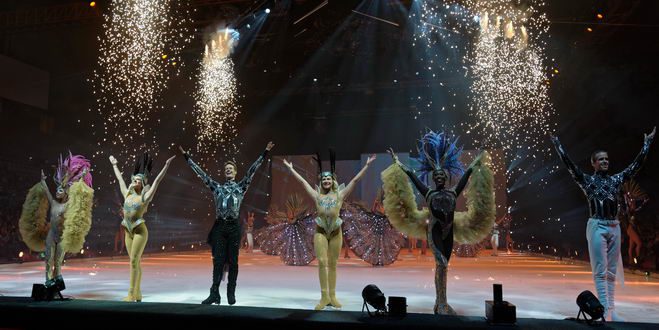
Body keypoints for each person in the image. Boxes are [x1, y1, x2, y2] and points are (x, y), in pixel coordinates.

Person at [382, 130, 495, 315]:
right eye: (437, 175)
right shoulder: (429, 194)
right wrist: (397, 162)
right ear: (434, 179)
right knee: (441, 263)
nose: (440, 177)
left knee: (444, 266)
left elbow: (467, 175)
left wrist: (478, 158)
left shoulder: (452, 193)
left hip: (448, 232)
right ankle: (441, 304)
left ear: (446, 177)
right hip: (434, 231)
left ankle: (440, 301)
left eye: (442, 175)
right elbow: (412, 175)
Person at [550, 126, 655, 321]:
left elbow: (635, 166)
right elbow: (571, 167)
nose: (605, 162)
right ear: (594, 164)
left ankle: (611, 309)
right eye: (601, 159)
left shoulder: (616, 180)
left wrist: (647, 144)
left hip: (614, 227)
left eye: (607, 159)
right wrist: (559, 147)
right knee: (600, 271)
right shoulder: (588, 182)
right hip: (597, 226)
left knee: (612, 272)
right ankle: (604, 310)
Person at [180, 142, 273, 305]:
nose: (228, 170)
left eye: (231, 168)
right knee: (218, 261)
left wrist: (264, 152)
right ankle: (214, 293)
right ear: (224, 172)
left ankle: (231, 292)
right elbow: (201, 174)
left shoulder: (241, 187)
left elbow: (253, 170)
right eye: (226, 169)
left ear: (236, 172)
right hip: (220, 227)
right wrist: (187, 157)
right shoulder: (217, 188)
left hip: (233, 227)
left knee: (233, 261)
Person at [283, 150, 375, 310]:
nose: (326, 180)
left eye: (328, 178)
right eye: (324, 179)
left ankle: (332, 296)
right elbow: (304, 183)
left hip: (335, 233)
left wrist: (366, 166)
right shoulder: (318, 196)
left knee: (332, 264)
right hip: (320, 232)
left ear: (333, 181)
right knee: (322, 262)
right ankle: (324, 297)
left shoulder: (339, 195)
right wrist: (291, 169)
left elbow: (354, 181)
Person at [19, 153, 94, 290]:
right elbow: (46, 190)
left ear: (65, 192)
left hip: (61, 236)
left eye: (61, 190)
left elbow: (76, 193)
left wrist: (82, 176)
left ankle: (57, 284)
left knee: (58, 262)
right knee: (48, 260)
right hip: (51, 235)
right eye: (57, 190)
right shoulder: (53, 203)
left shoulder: (67, 204)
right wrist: (42, 181)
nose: (58, 191)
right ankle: (48, 283)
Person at [110, 152, 175, 302]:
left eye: (139, 180)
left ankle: (131, 293)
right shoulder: (126, 194)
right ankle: (137, 294)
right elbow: (119, 178)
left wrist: (166, 165)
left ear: (143, 183)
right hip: (128, 231)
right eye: (135, 179)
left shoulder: (144, 197)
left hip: (139, 231)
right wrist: (114, 165)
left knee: (133, 261)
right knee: (135, 262)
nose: (136, 181)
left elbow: (157, 181)